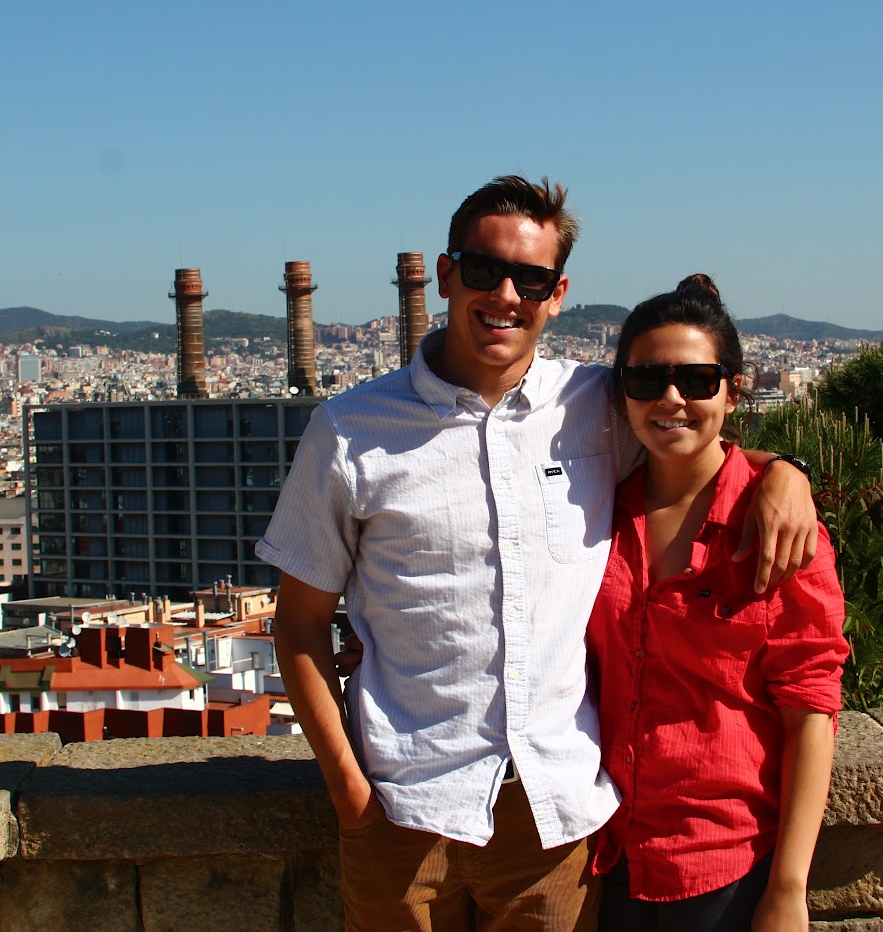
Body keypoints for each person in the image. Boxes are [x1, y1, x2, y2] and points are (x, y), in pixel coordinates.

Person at [259, 176, 818, 931]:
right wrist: (350, 795)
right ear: (446, 274)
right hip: (403, 807)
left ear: (557, 295)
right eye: (485, 269)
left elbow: (691, 431)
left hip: (552, 819)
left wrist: (785, 472)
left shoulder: (595, 405)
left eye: (531, 279)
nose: (506, 295)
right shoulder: (350, 430)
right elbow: (298, 623)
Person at [588, 275, 849, 932]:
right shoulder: (595, 513)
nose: (671, 398)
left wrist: (788, 889)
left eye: (697, 380)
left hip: (726, 868)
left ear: (733, 391)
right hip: (606, 854)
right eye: (647, 380)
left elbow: (811, 712)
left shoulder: (778, 529)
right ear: (621, 395)